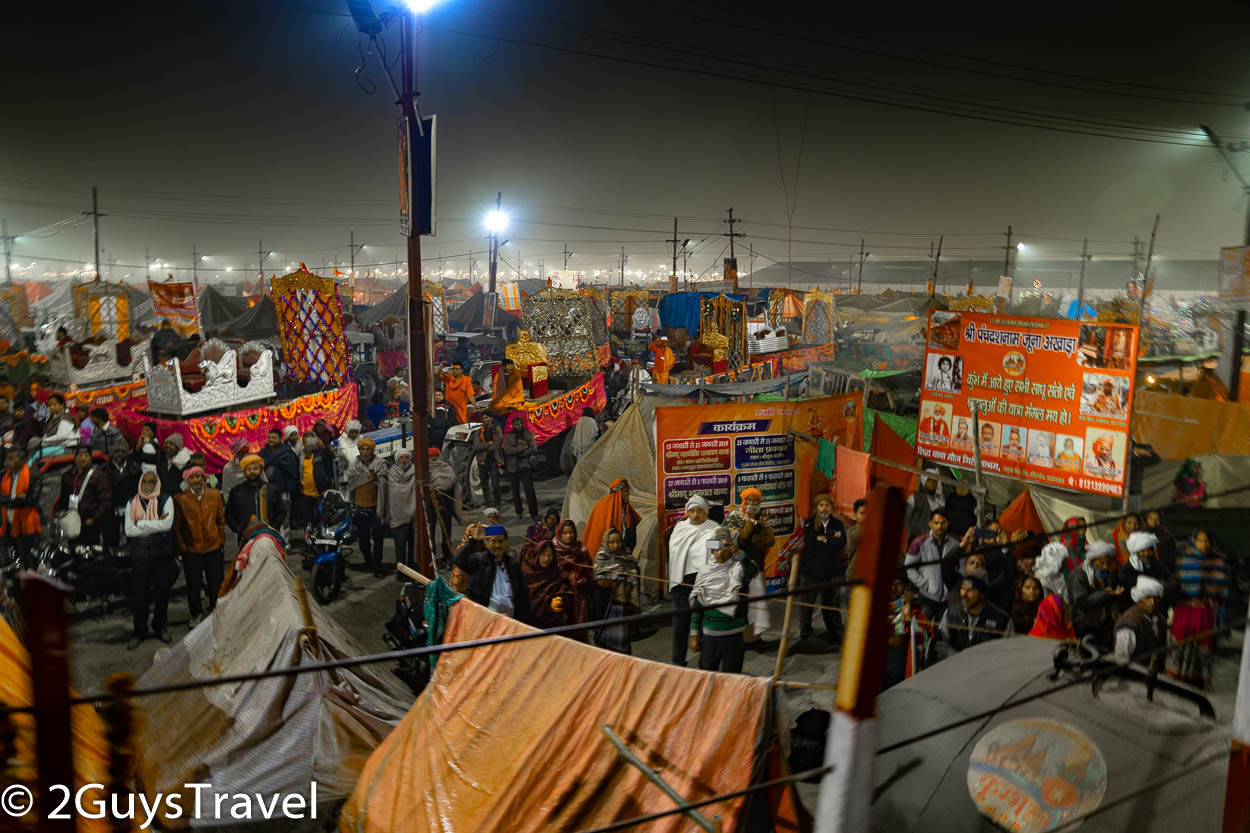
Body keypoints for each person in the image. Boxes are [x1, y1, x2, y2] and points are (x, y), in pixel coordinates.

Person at [689, 526, 758, 673]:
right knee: (707, 675)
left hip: (734, 636)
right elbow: (697, 604)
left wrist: (737, 553)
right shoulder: (705, 571)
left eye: (723, 548)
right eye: (715, 548)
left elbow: (752, 571)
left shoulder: (738, 569)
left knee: (732, 676)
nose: (719, 553)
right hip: (709, 636)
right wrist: (694, 634)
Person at [1168, 529, 1228, 687]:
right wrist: (1187, 600)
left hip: (1205, 610)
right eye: (1200, 540)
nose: (1204, 543)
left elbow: (1221, 588)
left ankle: (1197, 680)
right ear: (1193, 541)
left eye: (1207, 540)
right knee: (1182, 640)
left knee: (1202, 642)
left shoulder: (1217, 561)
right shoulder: (1183, 560)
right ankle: (1176, 676)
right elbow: (1176, 586)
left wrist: (1215, 605)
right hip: (1185, 608)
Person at [126, 471, 176, 649]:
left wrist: (141, 523)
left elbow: (166, 525)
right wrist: (155, 523)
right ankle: (139, 630)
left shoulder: (166, 500)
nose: (147, 484)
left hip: (162, 555)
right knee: (140, 595)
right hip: (140, 556)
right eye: (145, 481)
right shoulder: (132, 502)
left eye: (151, 482)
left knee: (162, 593)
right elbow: (129, 530)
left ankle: (159, 626)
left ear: (157, 484)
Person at [667, 495, 718, 666]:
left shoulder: (713, 529)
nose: (695, 515)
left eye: (699, 511)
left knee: (703, 628)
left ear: (706, 512)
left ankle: (705, 664)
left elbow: (715, 552)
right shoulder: (680, 528)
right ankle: (678, 662)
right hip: (681, 587)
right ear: (687, 512)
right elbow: (675, 552)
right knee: (679, 628)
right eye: (692, 511)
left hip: (704, 587)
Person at [173, 466, 225, 627]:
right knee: (193, 584)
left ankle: (216, 611)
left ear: (204, 478)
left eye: (198, 477)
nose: (196, 480)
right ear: (187, 480)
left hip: (213, 547)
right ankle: (196, 614)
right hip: (192, 549)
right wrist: (183, 548)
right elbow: (177, 527)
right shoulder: (180, 499)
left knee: (215, 582)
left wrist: (220, 541)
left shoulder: (215, 495)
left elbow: (220, 521)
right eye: (192, 477)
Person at [454, 524, 530, 623]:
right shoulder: (478, 561)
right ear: (486, 543)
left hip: (510, 622)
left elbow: (522, 593)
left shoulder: (513, 564)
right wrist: (473, 541)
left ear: (506, 542)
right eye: (494, 541)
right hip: (484, 620)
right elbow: (459, 560)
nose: (498, 545)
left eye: (500, 541)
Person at [798, 494, 846, 646]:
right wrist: (830, 539)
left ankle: (836, 633)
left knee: (832, 604)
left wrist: (824, 539)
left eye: (827, 505)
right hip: (811, 571)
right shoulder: (809, 523)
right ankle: (805, 633)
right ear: (816, 507)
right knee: (807, 605)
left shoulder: (837, 523)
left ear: (831, 507)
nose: (824, 508)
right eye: (821, 505)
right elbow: (810, 543)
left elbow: (841, 542)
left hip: (831, 571)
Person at [937, 569, 1013, 657]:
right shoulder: (951, 613)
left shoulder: (1002, 621)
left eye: (970, 590)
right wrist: (956, 656)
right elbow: (940, 643)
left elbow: (1008, 652)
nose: (964, 595)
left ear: (982, 594)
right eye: (962, 588)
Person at [904, 509, 961, 622]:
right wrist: (924, 584)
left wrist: (955, 586)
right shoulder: (919, 542)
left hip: (947, 598)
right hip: (926, 597)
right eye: (936, 523)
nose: (939, 526)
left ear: (948, 523)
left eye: (943, 523)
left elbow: (963, 568)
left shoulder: (956, 542)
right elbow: (909, 567)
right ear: (930, 524)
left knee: (943, 629)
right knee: (923, 628)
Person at [1068, 541, 1125, 652]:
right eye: (1102, 563)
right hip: (1085, 625)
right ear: (1093, 560)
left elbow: (1113, 594)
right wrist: (1106, 594)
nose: (1105, 566)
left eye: (1108, 562)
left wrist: (1115, 608)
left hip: (1105, 624)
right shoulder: (1079, 575)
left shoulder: (1109, 572)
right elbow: (1082, 602)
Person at [593, 528, 642, 654]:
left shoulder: (629, 558)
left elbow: (635, 576)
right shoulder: (601, 557)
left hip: (624, 605)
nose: (616, 545)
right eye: (612, 542)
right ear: (606, 542)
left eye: (618, 542)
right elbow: (600, 580)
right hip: (606, 604)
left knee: (623, 638)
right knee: (605, 639)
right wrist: (619, 578)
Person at [345, 436, 387, 575]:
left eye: (367, 449)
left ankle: (377, 565)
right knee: (363, 541)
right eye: (362, 449)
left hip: (376, 508)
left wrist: (376, 480)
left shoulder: (380, 464)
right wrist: (352, 507)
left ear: (372, 450)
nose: (365, 451)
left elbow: (386, 484)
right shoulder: (354, 466)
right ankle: (368, 562)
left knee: (378, 539)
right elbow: (351, 487)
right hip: (361, 508)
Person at [57, 446, 110, 546]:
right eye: (80, 455)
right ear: (75, 459)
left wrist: (94, 519)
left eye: (86, 455)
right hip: (72, 522)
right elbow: (63, 498)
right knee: (72, 548)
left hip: (89, 523)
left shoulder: (98, 476)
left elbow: (105, 500)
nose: (83, 458)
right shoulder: (67, 476)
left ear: (91, 459)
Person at [0, 447, 41, 568]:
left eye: (13, 458)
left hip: (26, 522)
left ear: (23, 460)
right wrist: (16, 497)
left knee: (28, 558)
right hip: (7, 522)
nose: (9, 460)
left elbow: (31, 500)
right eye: (8, 458)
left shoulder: (34, 476)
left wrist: (9, 498)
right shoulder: (3, 475)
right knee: (8, 558)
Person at [553, 519, 595, 636]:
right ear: (559, 533)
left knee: (579, 630)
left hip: (579, 595)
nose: (569, 536)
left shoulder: (580, 549)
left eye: (571, 532)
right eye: (565, 533)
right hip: (560, 596)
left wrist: (580, 578)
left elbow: (589, 571)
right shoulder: (553, 550)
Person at [522, 539, 575, 631]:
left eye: (549, 555)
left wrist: (560, 598)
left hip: (550, 620)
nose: (546, 559)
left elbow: (564, 589)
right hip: (527, 619)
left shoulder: (557, 572)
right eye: (543, 555)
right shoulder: (526, 571)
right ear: (537, 555)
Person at [1113, 576, 1166, 668]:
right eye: (1147, 598)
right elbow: (1121, 659)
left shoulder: (1160, 620)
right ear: (1139, 599)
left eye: (1156, 598)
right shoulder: (1128, 623)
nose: (1152, 602)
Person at [583, 478, 641, 556]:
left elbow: (632, 531)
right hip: (606, 554)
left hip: (623, 552)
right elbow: (598, 534)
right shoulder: (603, 506)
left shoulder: (628, 511)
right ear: (619, 493)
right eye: (626, 491)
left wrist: (629, 547)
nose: (628, 494)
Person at [1118, 531, 1177, 607]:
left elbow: (1172, 581)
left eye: (1149, 550)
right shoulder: (1126, 570)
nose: (1147, 553)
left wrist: (1160, 588)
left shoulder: (1156, 563)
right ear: (1136, 552)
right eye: (1143, 551)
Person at [427, 447, 464, 568]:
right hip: (430, 507)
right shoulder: (424, 469)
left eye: (435, 456)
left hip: (445, 505)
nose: (433, 458)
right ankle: (432, 558)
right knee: (430, 533)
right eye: (431, 456)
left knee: (446, 533)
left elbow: (452, 481)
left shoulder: (446, 468)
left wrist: (439, 487)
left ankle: (448, 557)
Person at [382, 447, 418, 569]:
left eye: (407, 457)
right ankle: (401, 571)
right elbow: (394, 492)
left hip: (413, 517)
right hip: (398, 516)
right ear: (397, 459)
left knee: (413, 546)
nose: (404, 460)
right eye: (401, 457)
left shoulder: (415, 471)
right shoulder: (391, 473)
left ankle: (412, 569)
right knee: (400, 546)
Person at [295, 430, 335, 532]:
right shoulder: (300, 454)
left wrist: (322, 446)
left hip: (321, 492)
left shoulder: (320, 453)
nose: (309, 444)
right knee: (307, 519)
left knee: (322, 519)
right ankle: (309, 539)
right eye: (306, 441)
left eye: (311, 440)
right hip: (305, 493)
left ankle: (322, 537)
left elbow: (331, 457)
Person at [259, 428, 299, 530]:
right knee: (267, 515)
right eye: (269, 437)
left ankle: (285, 538)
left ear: (281, 439)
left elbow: (293, 472)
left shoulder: (287, 453)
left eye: (274, 438)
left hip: (283, 491)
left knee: (284, 516)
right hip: (266, 491)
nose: (271, 440)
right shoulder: (263, 453)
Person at [225, 455, 268, 545]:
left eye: (255, 468)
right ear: (244, 471)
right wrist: (239, 529)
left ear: (261, 470)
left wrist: (273, 528)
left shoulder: (270, 489)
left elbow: (280, 512)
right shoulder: (236, 491)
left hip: (268, 536)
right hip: (245, 537)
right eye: (249, 469)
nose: (252, 471)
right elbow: (229, 514)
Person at [104, 438, 140, 549]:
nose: (119, 454)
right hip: (112, 509)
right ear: (112, 453)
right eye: (117, 451)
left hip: (130, 508)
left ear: (127, 453)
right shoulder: (105, 469)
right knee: (111, 540)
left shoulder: (135, 468)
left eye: (123, 451)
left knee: (133, 541)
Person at [502, 418, 539, 521]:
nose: (518, 426)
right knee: (515, 492)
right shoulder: (509, 436)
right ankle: (519, 512)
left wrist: (524, 452)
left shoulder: (528, 434)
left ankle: (534, 513)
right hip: (513, 467)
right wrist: (521, 449)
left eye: (519, 424)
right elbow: (507, 450)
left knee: (529, 491)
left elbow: (533, 448)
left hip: (525, 466)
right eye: (516, 424)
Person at [734, 487, 775, 574]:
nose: (752, 503)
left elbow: (771, 542)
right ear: (745, 501)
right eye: (749, 500)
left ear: (759, 502)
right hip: (740, 562)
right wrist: (751, 520)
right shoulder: (737, 515)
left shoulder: (763, 515)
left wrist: (765, 527)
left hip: (758, 562)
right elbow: (741, 541)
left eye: (755, 500)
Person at [472, 420, 504, 510]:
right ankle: (488, 503)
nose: (484, 419)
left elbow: (497, 444)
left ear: (491, 419)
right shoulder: (478, 431)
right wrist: (489, 444)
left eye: (486, 417)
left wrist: (485, 447)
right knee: (484, 484)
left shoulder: (497, 430)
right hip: (483, 461)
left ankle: (497, 503)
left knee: (495, 484)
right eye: (483, 418)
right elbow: (476, 446)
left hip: (494, 461)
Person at [904, 470, 945, 541]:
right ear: (924, 481)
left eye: (935, 481)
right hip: (915, 540)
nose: (932, 483)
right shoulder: (914, 498)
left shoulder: (940, 503)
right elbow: (907, 520)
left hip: (931, 542)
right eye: (929, 480)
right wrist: (912, 539)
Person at [220, 438, 251, 504]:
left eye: (247, 452)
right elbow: (226, 492)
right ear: (237, 453)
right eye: (243, 453)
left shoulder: (253, 465)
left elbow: (264, 485)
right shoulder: (228, 468)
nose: (246, 455)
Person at [336, 420, 364, 485]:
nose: (354, 435)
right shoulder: (342, 442)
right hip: (346, 477)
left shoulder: (360, 439)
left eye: (356, 432)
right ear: (347, 431)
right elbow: (350, 458)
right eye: (352, 432)